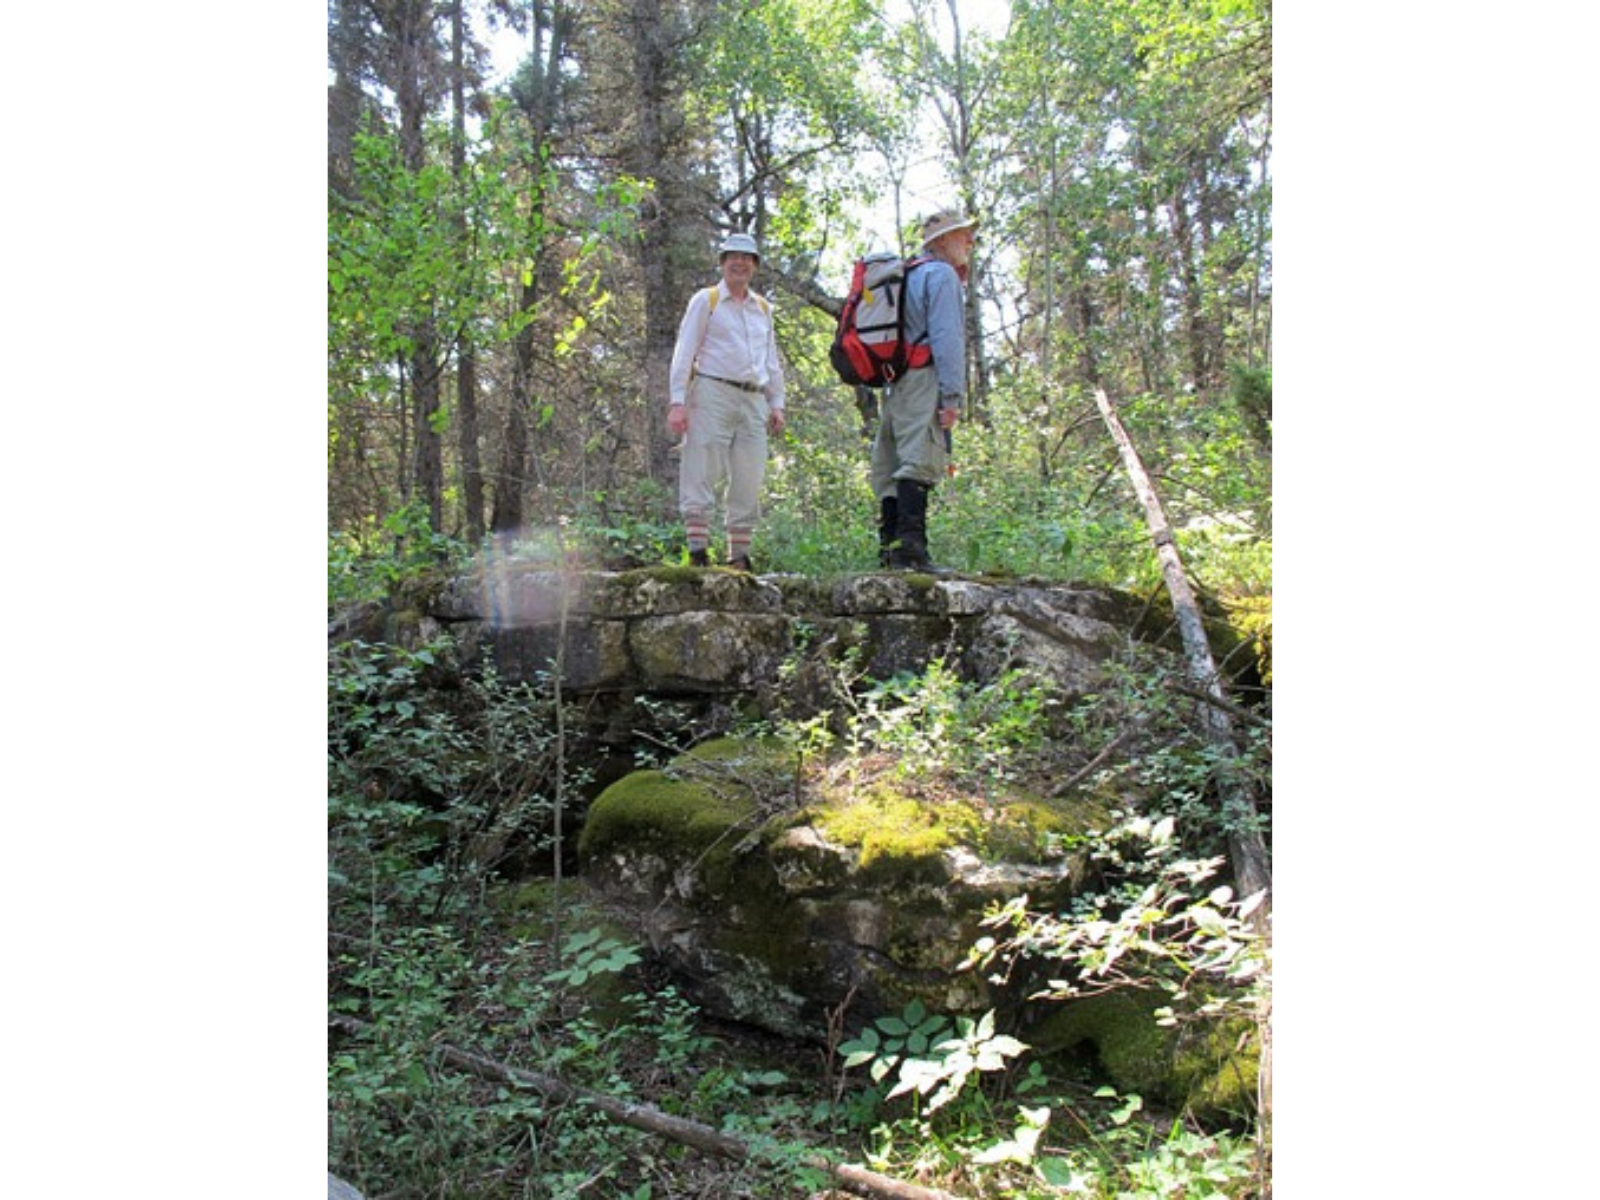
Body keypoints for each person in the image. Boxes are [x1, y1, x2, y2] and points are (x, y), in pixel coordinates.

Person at [667, 231, 787, 572]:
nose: (740, 263)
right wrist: (678, 401)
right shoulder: (706, 300)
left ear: (755, 266)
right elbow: (684, 351)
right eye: (733, 257)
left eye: (747, 258)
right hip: (712, 389)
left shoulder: (763, 308)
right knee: (701, 464)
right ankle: (698, 550)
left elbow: (771, 359)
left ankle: (738, 556)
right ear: (722, 263)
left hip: (754, 398)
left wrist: (776, 402)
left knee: (749, 471)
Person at [873, 208, 976, 572]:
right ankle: (912, 552)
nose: (970, 241)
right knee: (920, 459)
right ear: (942, 241)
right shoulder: (942, 275)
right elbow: (947, 338)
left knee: (891, 463)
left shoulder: (904, 274)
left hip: (895, 381)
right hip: (924, 377)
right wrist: (951, 397)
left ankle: (890, 549)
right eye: (963, 234)